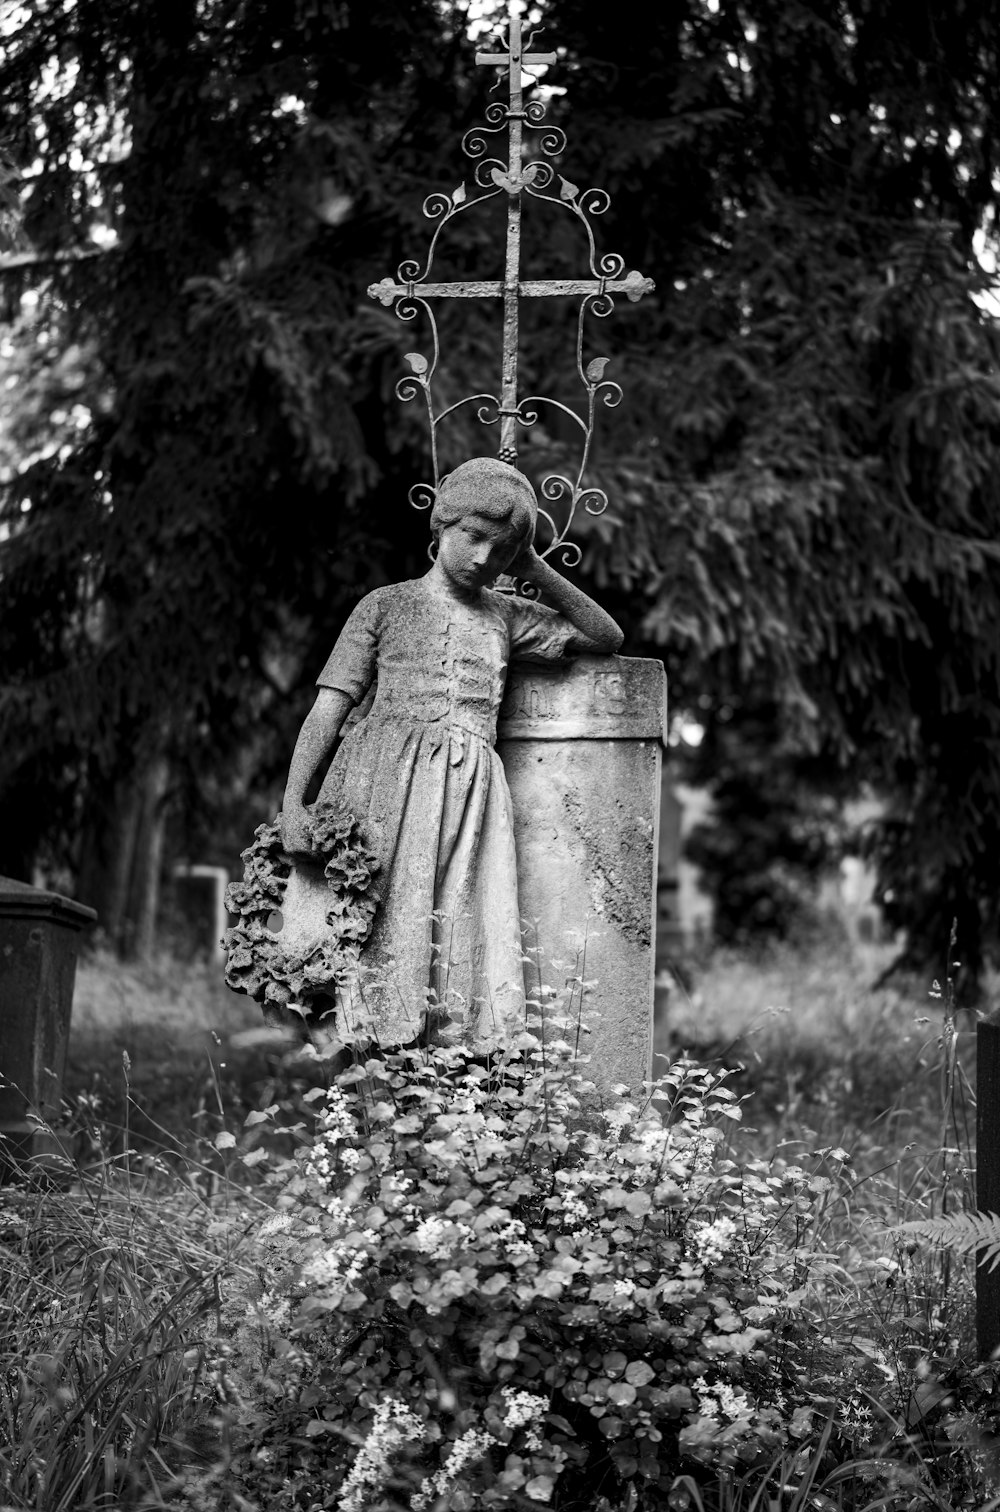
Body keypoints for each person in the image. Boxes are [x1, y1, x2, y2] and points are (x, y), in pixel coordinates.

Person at [279, 456, 623, 1051]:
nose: (485, 558)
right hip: (384, 781)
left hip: (469, 790)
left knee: (456, 931)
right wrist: (293, 803)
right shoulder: (385, 605)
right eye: (474, 537)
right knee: (377, 926)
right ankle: (369, 1068)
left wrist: (534, 564)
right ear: (442, 524)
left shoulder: (506, 615)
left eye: (502, 548)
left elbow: (605, 636)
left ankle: (443, 1065)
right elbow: (328, 711)